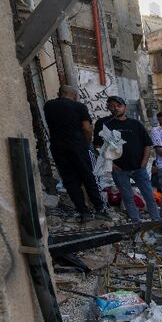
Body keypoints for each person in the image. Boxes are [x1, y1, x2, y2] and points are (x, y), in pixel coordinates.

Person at [42, 84, 108, 220]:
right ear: (75, 96)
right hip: (78, 146)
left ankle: (83, 211)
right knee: (90, 177)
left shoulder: (48, 105)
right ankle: (100, 209)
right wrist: (87, 144)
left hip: (58, 147)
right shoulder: (79, 107)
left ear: (59, 93)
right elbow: (87, 128)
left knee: (70, 180)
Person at [94, 96, 160, 223]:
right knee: (128, 197)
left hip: (138, 168)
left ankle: (157, 222)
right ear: (108, 107)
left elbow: (147, 144)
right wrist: (110, 165)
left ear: (125, 107)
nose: (116, 108)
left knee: (149, 196)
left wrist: (144, 162)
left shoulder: (135, 124)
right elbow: (97, 146)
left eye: (119, 105)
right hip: (119, 169)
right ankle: (136, 223)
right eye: (112, 106)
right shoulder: (104, 125)